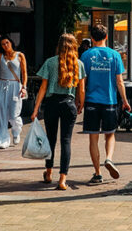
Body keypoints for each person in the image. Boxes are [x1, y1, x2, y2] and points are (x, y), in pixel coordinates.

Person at [31, 33, 85, 190]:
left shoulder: (50, 62)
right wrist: (81, 104)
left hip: (52, 103)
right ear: (74, 46)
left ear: (59, 46)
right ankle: (62, 179)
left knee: (51, 140)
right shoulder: (79, 64)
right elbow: (81, 89)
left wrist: (35, 109)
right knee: (66, 141)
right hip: (69, 104)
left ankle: (48, 173)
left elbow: (43, 88)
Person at [79, 24, 130, 186]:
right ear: (106, 37)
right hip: (110, 101)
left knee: (93, 138)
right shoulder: (115, 55)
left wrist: (80, 102)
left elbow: (82, 83)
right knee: (110, 134)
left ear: (92, 38)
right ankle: (109, 158)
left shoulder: (86, 56)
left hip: (91, 101)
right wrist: (125, 101)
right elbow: (120, 82)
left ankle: (98, 172)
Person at [0, 35, 28, 149]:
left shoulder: (20, 55)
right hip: (2, 86)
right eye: (3, 44)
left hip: (15, 86)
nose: (5, 45)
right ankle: (3, 140)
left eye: (7, 42)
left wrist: (24, 87)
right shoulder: (1, 56)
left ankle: (16, 131)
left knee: (14, 114)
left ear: (11, 42)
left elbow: (24, 73)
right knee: (1, 113)